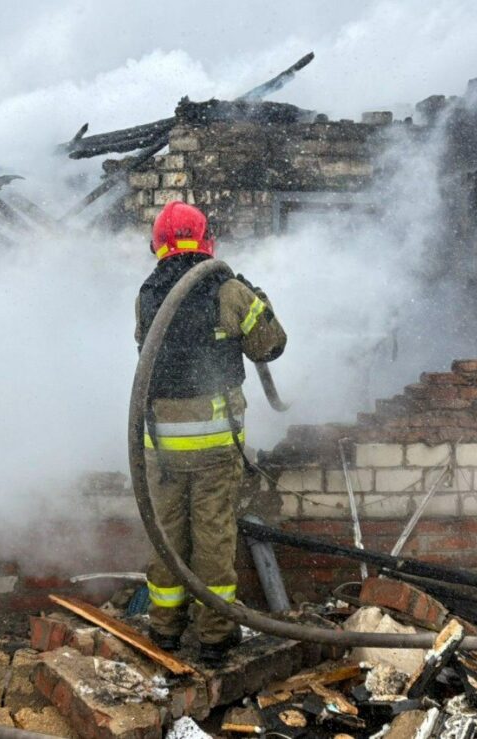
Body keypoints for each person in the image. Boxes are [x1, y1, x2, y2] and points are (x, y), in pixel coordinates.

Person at [134, 200, 287, 664]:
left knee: (167, 537)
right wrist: (260, 302)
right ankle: (216, 636)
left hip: (160, 446)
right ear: (207, 242)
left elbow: (146, 349)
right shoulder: (229, 290)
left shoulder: (147, 294)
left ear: (158, 243)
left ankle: (164, 629)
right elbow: (271, 346)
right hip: (214, 444)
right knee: (213, 538)